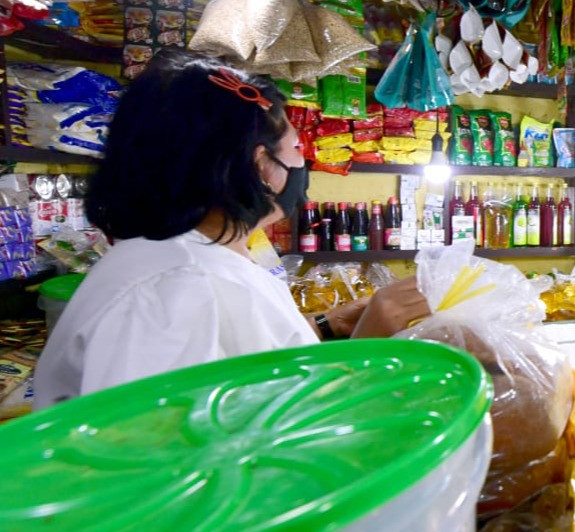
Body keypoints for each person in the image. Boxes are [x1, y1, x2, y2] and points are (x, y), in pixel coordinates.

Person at [35, 52, 431, 407]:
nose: (304, 164)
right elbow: (182, 464)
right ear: (261, 164)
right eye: (296, 149)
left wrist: (327, 327)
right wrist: (369, 349)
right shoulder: (176, 290)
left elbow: (241, 371)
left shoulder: (190, 260)